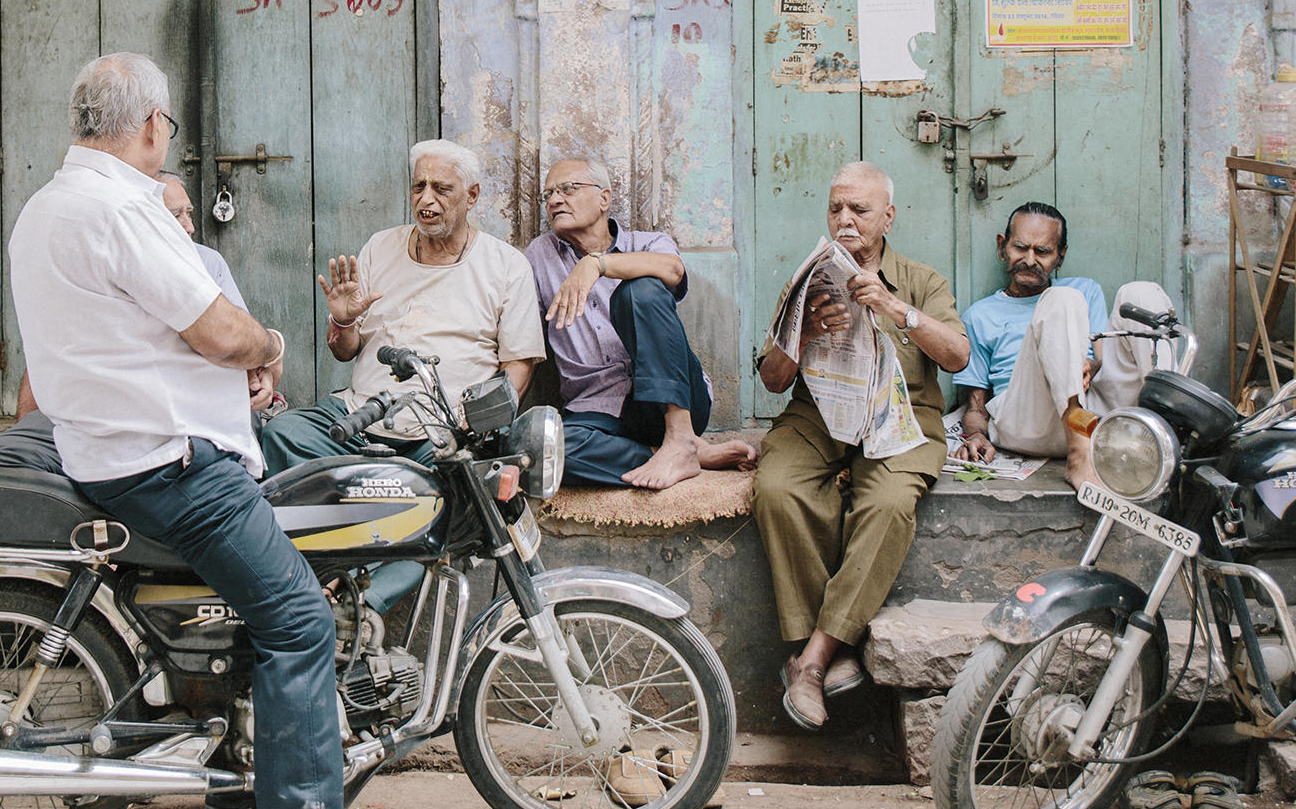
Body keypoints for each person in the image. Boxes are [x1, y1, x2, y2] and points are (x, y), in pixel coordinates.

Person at [8, 51, 415, 809]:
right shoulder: (126, 210)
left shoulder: (44, 208)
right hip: (172, 468)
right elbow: (222, 332)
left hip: (108, 454)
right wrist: (269, 338)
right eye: (168, 128)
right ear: (152, 125)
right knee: (302, 623)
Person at [752, 163, 969, 732]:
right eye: (836, 209)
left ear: (888, 217)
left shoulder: (921, 280)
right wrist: (803, 337)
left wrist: (897, 311)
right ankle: (822, 649)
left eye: (860, 210)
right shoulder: (808, 278)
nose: (845, 220)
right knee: (777, 487)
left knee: (890, 504)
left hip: (901, 418)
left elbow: (957, 357)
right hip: (818, 415)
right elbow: (774, 380)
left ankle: (811, 661)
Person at [258, 138, 545, 473]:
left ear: (471, 196)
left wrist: (480, 417)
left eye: (441, 188)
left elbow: (519, 364)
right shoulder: (380, 247)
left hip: (443, 428)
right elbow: (344, 352)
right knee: (282, 434)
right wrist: (343, 321)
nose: (426, 199)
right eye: (419, 186)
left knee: (454, 475)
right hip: (362, 416)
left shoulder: (507, 265)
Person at [0, 170, 270, 473]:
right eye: (176, 216)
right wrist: (30, 422)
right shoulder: (105, 257)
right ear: (148, 221)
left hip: (184, 412)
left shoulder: (207, 262)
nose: (189, 226)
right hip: (104, 412)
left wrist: (268, 358)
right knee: (2, 457)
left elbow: (244, 350)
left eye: (189, 213)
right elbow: (56, 349)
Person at [524, 156, 755, 488]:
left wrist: (596, 265)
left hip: (672, 400)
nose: (555, 200)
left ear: (604, 198)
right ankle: (677, 452)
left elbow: (673, 271)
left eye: (568, 189)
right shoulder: (540, 255)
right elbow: (522, 328)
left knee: (641, 289)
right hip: (596, 409)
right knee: (548, 452)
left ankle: (679, 434)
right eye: (548, 195)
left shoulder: (647, 242)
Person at [950, 203, 1178, 491]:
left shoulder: (1087, 290)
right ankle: (1079, 456)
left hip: (1090, 414)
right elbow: (975, 404)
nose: (1029, 260)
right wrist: (975, 436)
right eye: (1020, 248)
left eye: (1042, 252)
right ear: (1002, 246)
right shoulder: (980, 315)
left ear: (1061, 256)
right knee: (1060, 298)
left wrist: (1088, 366)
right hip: (1031, 421)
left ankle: (1166, 434)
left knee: (1140, 292)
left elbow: (1099, 358)